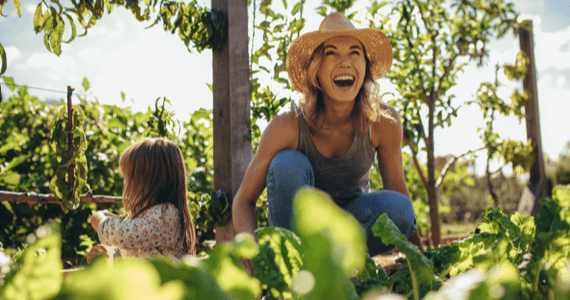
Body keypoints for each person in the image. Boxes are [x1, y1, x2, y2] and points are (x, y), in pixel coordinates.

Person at [232, 12, 424, 267]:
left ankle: (338, 264)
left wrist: (422, 260)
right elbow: (243, 200)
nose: (345, 62)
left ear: (365, 66)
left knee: (401, 209)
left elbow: (399, 191)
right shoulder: (287, 125)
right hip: (298, 232)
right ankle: (297, 266)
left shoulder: (383, 122)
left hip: (353, 227)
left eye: (355, 52)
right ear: (316, 70)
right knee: (286, 164)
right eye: (332, 53)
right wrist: (250, 247)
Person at [87, 138, 196, 262]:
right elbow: (134, 253)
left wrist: (97, 218)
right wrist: (108, 257)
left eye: (128, 179)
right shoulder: (144, 216)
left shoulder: (166, 214)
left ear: (147, 181)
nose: (125, 184)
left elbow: (122, 235)